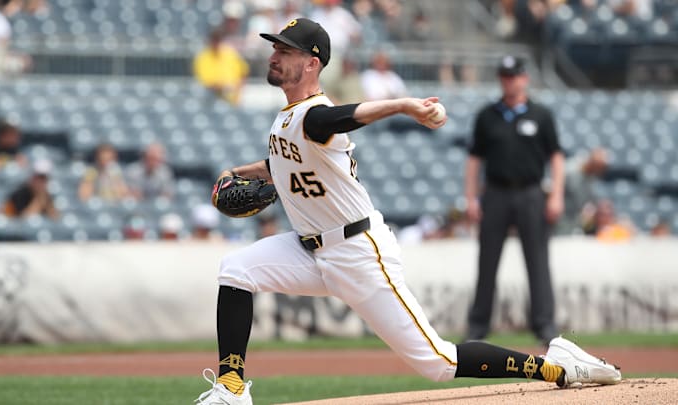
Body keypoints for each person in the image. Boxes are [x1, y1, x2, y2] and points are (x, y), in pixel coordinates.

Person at [194, 18, 620, 405]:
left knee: (437, 361)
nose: (274, 56)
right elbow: (283, 162)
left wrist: (402, 104)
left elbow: (343, 116)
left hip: (358, 253)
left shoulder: (314, 115)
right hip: (310, 251)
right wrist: (239, 171)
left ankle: (555, 364)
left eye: (285, 51)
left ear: (312, 63)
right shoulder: (289, 119)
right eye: (275, 48)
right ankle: (231, 388)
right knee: (237, 270)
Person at [464, 55, 565, 346]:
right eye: (505, 76)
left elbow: (556, 157)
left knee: (538, 261)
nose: (510, 81)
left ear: (525, 78)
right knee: (487, 261)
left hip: (531, 193)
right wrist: (471, 198)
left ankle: (544, 326)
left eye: (514, 76)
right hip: (495, 193)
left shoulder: (541, 115)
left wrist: (556, 194)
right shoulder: (487, 115)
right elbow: (474, 160)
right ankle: (478, 327)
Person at [557, 148, 609, 235]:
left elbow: (590, 202)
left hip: (574, 221)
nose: (600, 171)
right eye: (598, 167)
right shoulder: (570, 169)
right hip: (560, 218)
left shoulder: (592, 179)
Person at [193, 28, 250, 105]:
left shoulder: (230, 53)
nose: (216, 43)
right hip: (211, 98)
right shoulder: (203, 57)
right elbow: (206, 81)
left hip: (232, 98)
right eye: (214, 40)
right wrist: (223, 86)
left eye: (218, 40)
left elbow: (243, 72)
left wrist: (238, 89)